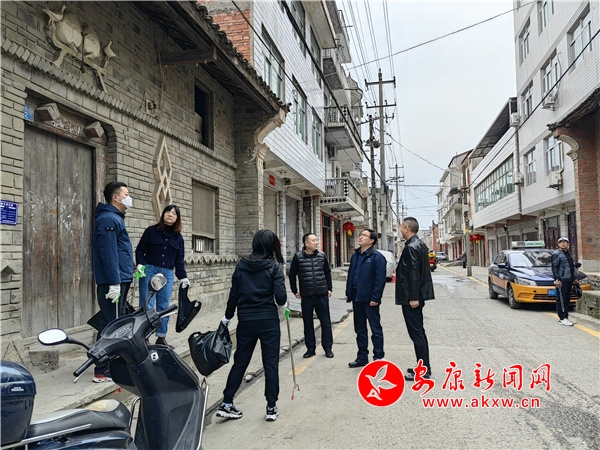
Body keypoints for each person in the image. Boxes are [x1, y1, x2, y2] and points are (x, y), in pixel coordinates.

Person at [216, 230, 287, 422]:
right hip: (268, 320)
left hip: (246, 320)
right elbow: (281, 298)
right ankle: (271, 407)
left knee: (240, 361)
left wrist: (227, 317)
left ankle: (227, 403)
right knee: (270, 363)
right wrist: (283, 306)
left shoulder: (241, 265)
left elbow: (234, 293)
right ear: (272, 245)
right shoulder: (274, 267)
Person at [92, 181, 134, 383]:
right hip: (113, 282)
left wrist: (131, 269)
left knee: (114, 321)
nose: (129, 198)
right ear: (115, 197)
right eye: (126, 194)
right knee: (111, 324)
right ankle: (102, 368)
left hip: (120, 278)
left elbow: (119, 250)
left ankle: (111, 362)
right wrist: (114, 282)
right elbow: (108, 254)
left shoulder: (115, 218)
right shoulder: (108, 219)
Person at [136, 205, 189, 347]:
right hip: (149, 270)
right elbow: (140, 249)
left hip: (167, 273)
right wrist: (140, 264)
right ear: (163, 214)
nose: (170, 214)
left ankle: (161, 337)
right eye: (168, 211)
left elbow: (179, 259)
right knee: (147, 304)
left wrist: (183, 277)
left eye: (174, 213)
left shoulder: (178, 238)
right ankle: (144, 337)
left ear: (177, 218)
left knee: (164, 306)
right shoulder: (151, 231)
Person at [395, 217, 435, 381]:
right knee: (419, 333)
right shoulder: (419, 244)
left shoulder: (412, 247)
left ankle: (424, 371)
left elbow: (413, 274)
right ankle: (423, 366)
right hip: (417, 296)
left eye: (401, 227)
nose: (400, 230)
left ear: (406, 228)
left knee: (417, 334)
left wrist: (413, 297)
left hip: (411, 298)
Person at [345, 229, 386, 368]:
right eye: (361, 235)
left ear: (372, 240)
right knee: (360, 330)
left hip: (370, 300)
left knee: (375, 329)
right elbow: (351, 275)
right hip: (357, 298)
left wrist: (375, 298)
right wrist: (349, 292)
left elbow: (380, 280)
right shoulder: (355, 255)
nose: (361, 237)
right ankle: (362, 357)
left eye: (364, 235)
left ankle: (378, 358)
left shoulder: (377, 257)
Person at [289, 233, 334, 359]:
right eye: (313, 240)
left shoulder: (322, 255)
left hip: (321, 295)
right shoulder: (298, 257)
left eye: (316, 240)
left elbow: (327, 272)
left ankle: (328, 348)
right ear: (306, 243)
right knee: (308, 323)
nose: (316, 242)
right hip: (307, 296)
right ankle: (310, 349)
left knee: (326, 323)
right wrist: (294, 290)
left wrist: (329, 288)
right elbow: (292, 274)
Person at [551, 237, 578, 326]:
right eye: (561, 242)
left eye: (565, 242)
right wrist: (557, 279)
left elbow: (570, 267)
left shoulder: (568, 253)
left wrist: (573, 278)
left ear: (568, 244)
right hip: (562, 280)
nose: (563, 244)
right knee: (561, 300)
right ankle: (562, 318)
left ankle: (566, 316)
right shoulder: (556, 254)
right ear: (558, 244)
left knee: (567, 299)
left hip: (569, 279)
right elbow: (554, 267)